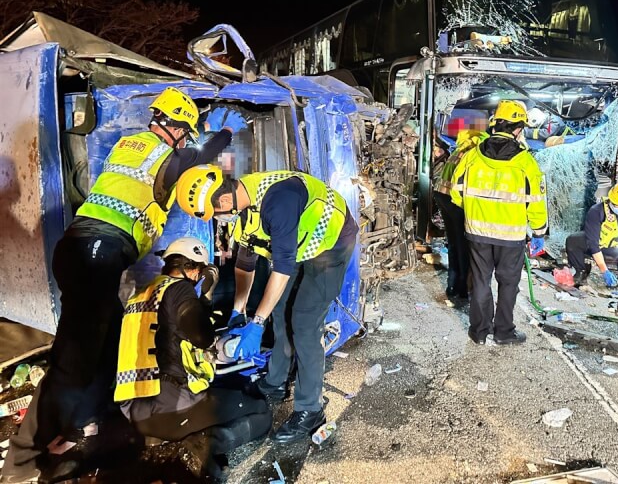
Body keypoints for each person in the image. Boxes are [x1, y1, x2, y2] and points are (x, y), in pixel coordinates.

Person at [1, 88, 248, 484]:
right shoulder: (168, 154)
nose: (187, 140)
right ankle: (39, 456)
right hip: (97, 252)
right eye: (186, 132)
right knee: (76, 358)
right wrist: (223, 137)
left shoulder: (130, 146)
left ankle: (79, 428)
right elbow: (194, 160)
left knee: (103, 341)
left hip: (79, 248)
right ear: (175, 128)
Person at [175, 166, 358, 444]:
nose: (220, 219)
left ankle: (310, 410)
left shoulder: (279, 200)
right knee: (280, 312)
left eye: (216, 214)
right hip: (298, 244)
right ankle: (275, 382)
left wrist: (256, 324)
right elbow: (245, 264)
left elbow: (282, 270)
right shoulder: (242, 208)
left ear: (223, 202)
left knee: (305, 323)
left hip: (331, 243)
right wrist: (240, 311)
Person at [115, 237, 271, 480]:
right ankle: (203, 446)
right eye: (200, 272)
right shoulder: (180, 289)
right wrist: (206, 294)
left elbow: (172, 331)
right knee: (261, 411)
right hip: (168, 408)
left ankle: (167, 438)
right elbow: (201, 335)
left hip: (133, 414)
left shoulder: (139, 296)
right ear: (193, 268)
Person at [450, 100, 548, 345]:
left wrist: (476, 211)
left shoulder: (472, 155)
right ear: (517, 129)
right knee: (507, 284)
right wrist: (539, 231)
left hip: (477, 232)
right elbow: (536, 201)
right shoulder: (526, 163)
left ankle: (479, 332)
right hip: (511, 237)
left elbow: (455, 191)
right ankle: (503, 332)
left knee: (481, 281)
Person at [431, 130, 487, 300]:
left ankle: (453, 287)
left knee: (454, 242)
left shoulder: (463, 146)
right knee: (463, 245)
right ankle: (463, 289)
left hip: (442, 195)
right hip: (454, 200)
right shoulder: (476, 151)